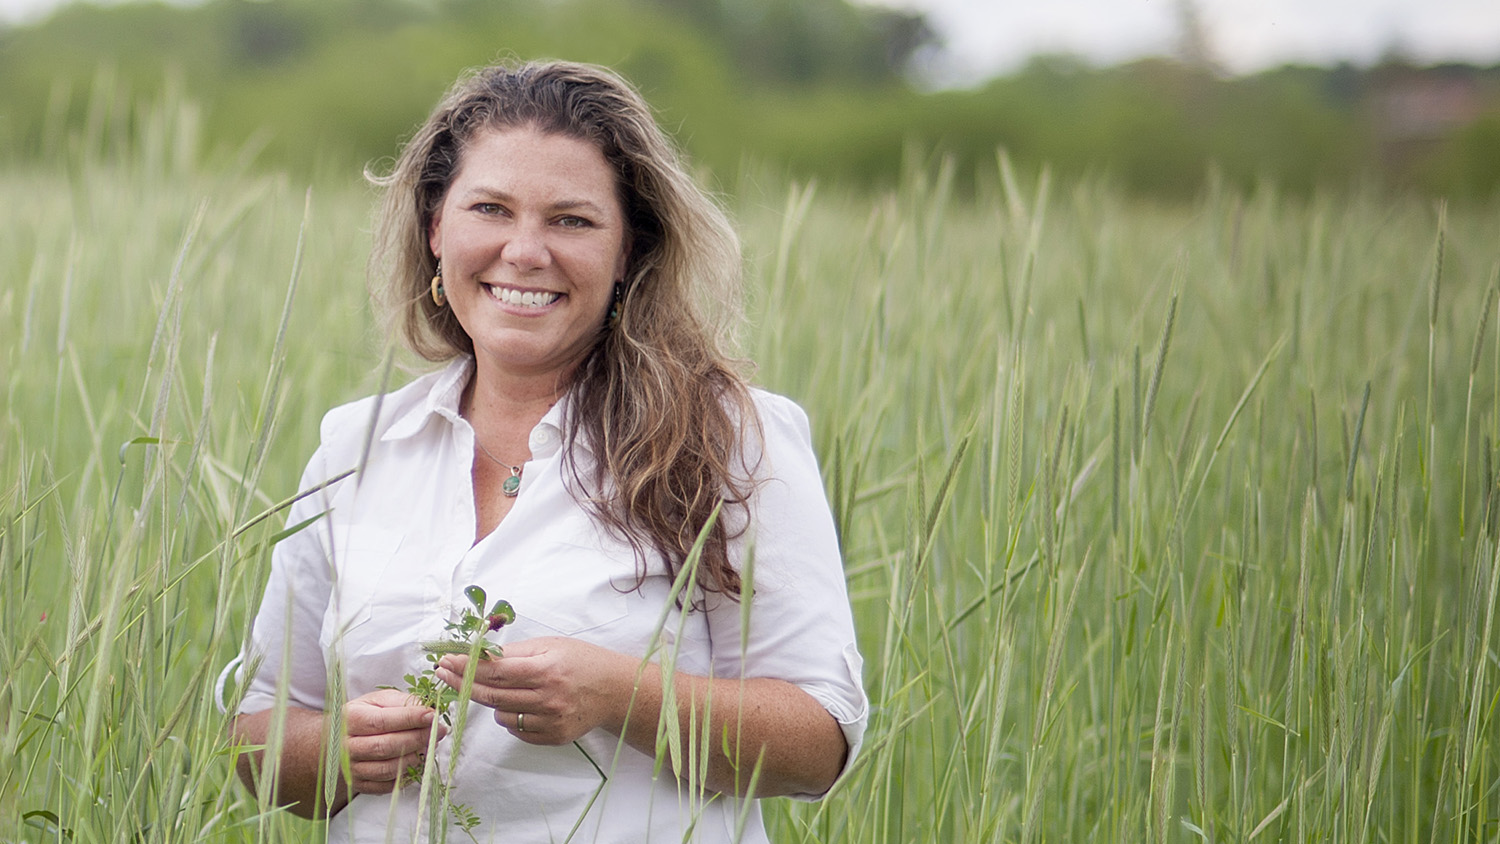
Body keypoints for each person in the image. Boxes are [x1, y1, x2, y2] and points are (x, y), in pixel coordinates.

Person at [227, 60, 867, 843]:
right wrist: (336, 752)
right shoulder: (355, 448)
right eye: (490, 209)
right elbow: (256, 736)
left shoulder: (731, 438)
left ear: (630, 248)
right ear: (436, 229)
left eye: (571, 220)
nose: (525, 253)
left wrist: (620, 695)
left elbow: (820, 743)